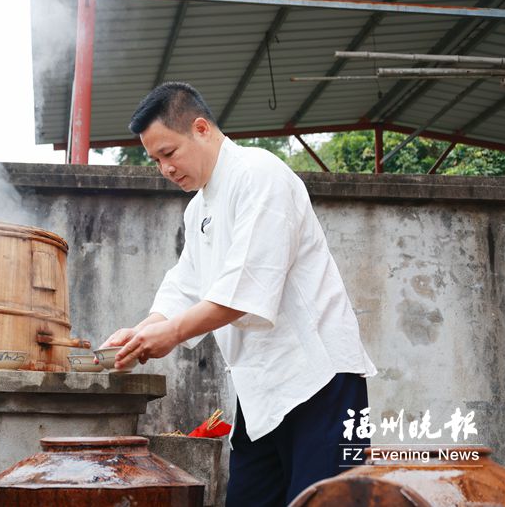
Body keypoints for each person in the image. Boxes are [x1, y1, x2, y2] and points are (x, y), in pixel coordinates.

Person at [102, 82, 377, 506]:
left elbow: (246, 288)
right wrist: (141, 333)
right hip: (260, 390)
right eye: (156, 160)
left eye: (169, 153)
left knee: (328, 502)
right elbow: (185, 285)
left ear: (201, 129)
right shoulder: (198, 210)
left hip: (320, 380)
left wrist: (171, 335)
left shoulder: (259, 174)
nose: (165, 169)